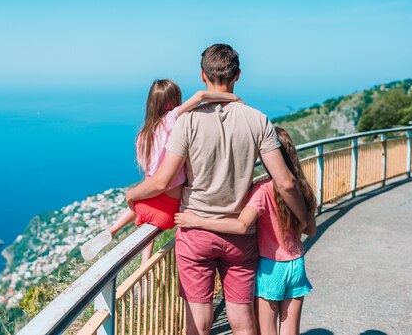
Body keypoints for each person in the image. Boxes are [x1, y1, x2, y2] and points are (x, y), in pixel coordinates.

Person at [125, 44, 310, 335]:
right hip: (239, 234)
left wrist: (132, 195)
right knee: (242, 318)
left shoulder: (186, 122)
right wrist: (304, 221)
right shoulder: (257, 120)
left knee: (199, 322)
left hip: (195, 231)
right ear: (238, 75)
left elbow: (162, 181)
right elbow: (286, 182)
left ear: (202, 75)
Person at [80, 79, 242, 263]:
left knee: (145, 204)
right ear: (171, 101)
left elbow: (150, 175)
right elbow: (200, 96)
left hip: (147, 197)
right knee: (153, 215)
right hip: (170, 204)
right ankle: (143, 261)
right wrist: (233, 97)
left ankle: (113, 230)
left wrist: (133, 195)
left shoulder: (143, 135)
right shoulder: (171, 119)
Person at [175, 127, 317, 335]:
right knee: (290, 330)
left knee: (267, 331)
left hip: (271, 266)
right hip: (296, 263)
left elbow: (241, 226)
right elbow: (310, 230)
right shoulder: (303, 189)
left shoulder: (262, 190)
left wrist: (197, 220)